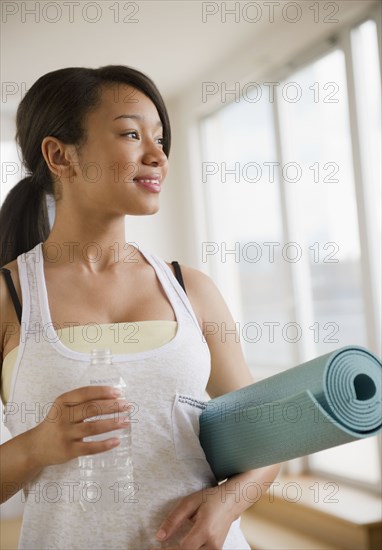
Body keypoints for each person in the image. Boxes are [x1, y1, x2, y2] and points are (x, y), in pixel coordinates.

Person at [0, 65, 280, 549]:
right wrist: (35, 447)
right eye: (132, 134)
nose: (157, 156)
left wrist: (226, 506)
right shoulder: (10, 298)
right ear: (59, 156)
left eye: (160, 138)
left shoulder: (190, 288)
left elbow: (266, 437)